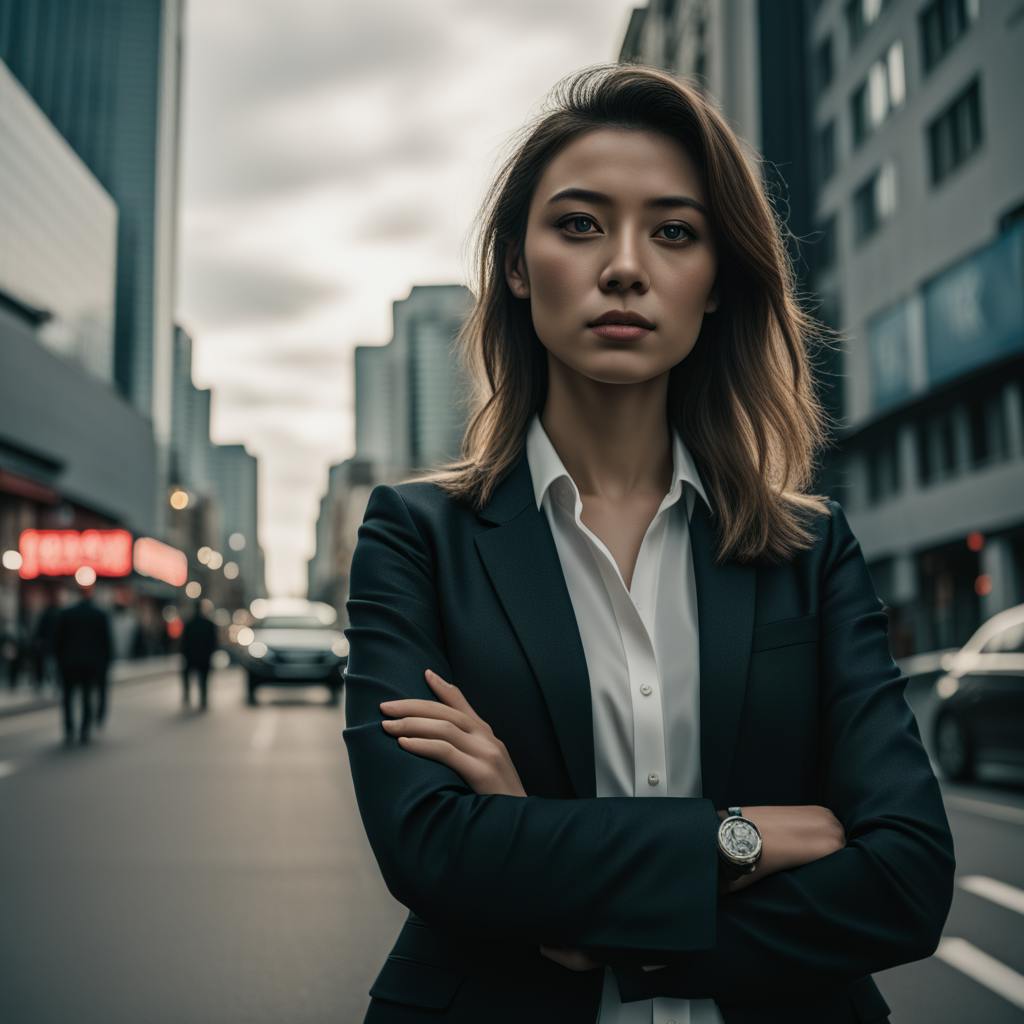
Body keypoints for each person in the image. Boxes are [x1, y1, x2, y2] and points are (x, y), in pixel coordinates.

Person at [342, 64, 955, 1023]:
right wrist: (737, 837)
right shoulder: (416, 537)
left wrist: (542, 852)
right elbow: (431, 849)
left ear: (715, 284)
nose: (624, 265)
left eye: (674, 232)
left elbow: (906, 880)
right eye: (580, 224)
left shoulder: (809, 548)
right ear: (514, 263)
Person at [54, 583, 112, 746]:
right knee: (87, 697)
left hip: (69, 663)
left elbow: (58, 641)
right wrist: (105, 665)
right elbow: (106, 643)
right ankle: (84, 730)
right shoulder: (99, 615)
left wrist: (59, 661)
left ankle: (69, 729)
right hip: (90, 664)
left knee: (68, 697)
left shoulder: (67, 614)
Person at [180, 603, 218, 711]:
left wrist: (184, 654)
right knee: (204, 679)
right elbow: (214, 642)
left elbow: (184, 642)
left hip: (191, 656)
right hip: (204, 656)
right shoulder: (209, 624)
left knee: (187, 676)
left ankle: (187, 695)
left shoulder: (189, 623)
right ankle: (203, 699)